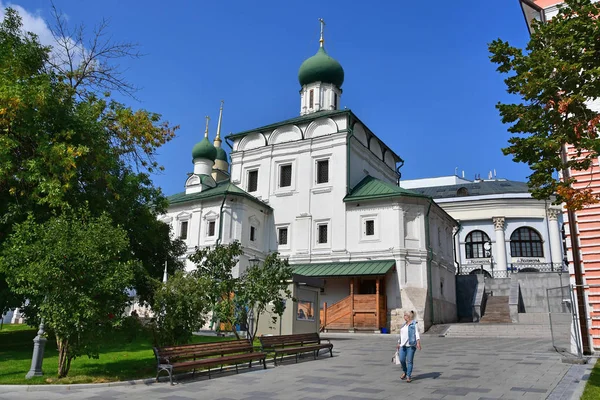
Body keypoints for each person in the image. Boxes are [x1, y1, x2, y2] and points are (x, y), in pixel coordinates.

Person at [396, 310, 421, 382]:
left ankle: (408, 376)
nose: (404, 316)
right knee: (402, 360)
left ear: (409, 316)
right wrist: (398, 343)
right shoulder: (404, 325)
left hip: (411, 345)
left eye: (405, 315)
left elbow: (416, 333)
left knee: (409, 361)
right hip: (402, 346)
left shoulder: (414, 324)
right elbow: (401, 335)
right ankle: (405, 371)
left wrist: (418, 342)